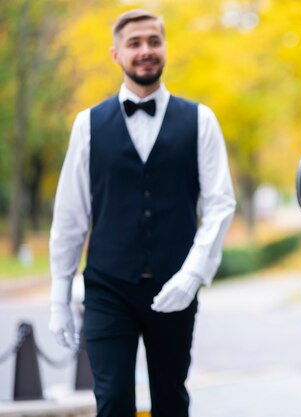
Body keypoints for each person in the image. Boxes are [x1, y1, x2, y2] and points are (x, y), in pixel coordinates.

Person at [48, 9, 236, 417]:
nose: (145, 50)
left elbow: (221, 203)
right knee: (113, 400)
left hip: (175, 284)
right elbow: (70, 215)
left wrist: (193, 274)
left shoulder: (200, 120)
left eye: (153, 41)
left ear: (165, 48)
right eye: (134, 43)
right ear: (116, 54)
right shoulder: (88, 124)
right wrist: (59, 298)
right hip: (108, 286)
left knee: (171, 399)